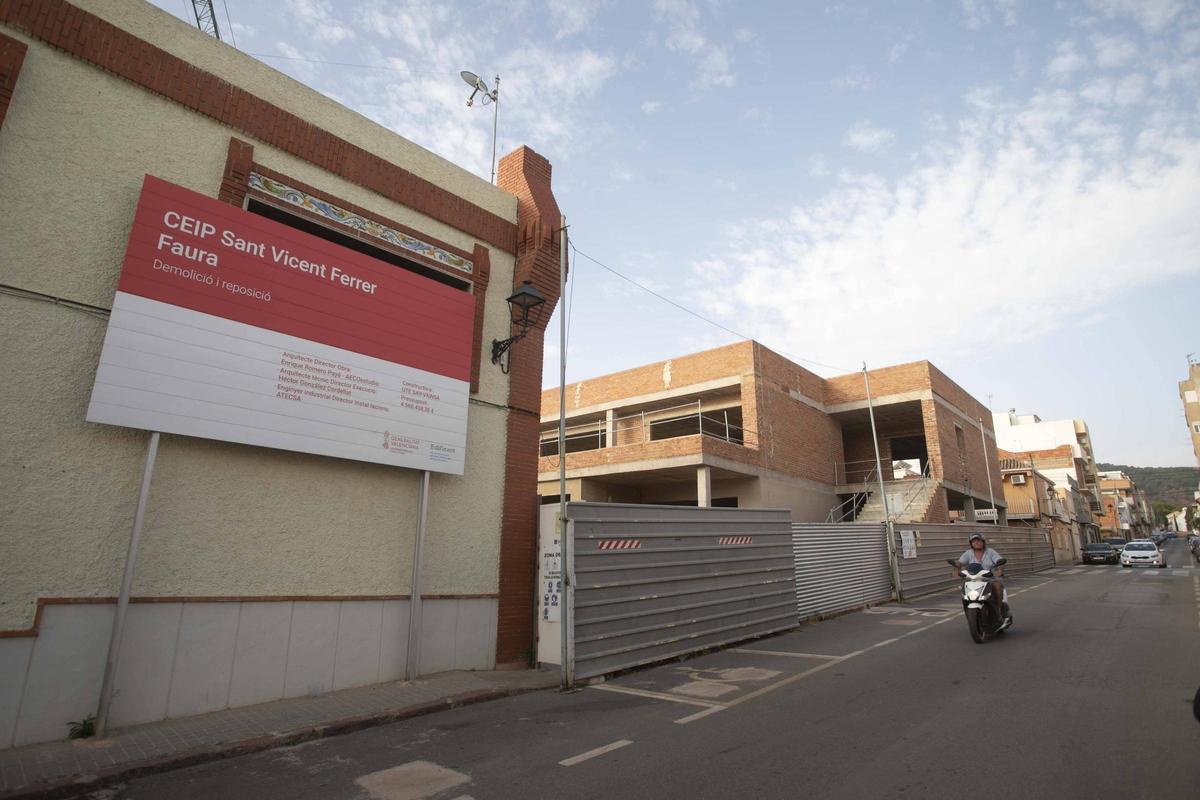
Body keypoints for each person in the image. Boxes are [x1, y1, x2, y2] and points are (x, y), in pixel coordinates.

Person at [954, 533, 1009, 622]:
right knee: (963, 587)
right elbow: (960, 562)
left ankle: (998, 612)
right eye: (974, 541)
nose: (976, 543)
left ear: (983, 542)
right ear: (971, 543)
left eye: (978, 540)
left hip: (990, 578)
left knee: (997, 585)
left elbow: (999, 561)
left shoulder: (990, 552)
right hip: (973, 579)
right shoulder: (968, 553)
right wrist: (956, 566)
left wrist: (999, 570)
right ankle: (968, 611)